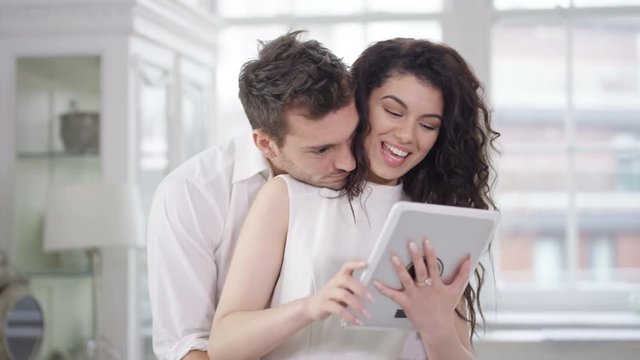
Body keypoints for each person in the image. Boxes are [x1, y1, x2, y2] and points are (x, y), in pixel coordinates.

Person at [208, 38, 499, 360]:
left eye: (428, 125)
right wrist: (309, 307)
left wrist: (436, 328)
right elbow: (223, 347)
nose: (407, 136)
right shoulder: (287, 196)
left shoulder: (436, 219)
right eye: (392, 111)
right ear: (360, 104)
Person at [146, 31, 359, 360]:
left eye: (352, 136)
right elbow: (188, 346)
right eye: (321, 149)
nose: (349, 161)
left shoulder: (364, 172)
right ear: (265, 144)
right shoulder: (191, 195)